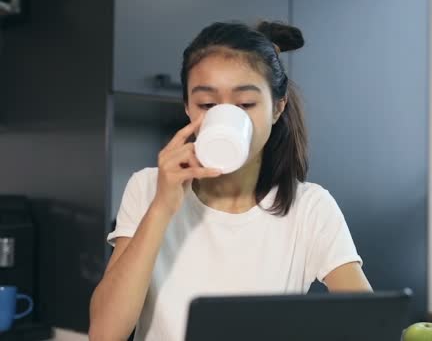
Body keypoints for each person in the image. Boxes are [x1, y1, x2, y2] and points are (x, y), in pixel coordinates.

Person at [89, 20, 372, 341]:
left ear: (278, 108)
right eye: (207, 104)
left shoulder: (310, 208)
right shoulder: (147, 188)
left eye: (245, 104)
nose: (223, 118)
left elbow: (369, 323)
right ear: (187, 107)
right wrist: (161, 209)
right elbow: (104, 334)